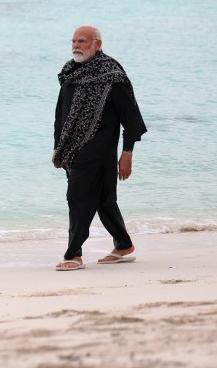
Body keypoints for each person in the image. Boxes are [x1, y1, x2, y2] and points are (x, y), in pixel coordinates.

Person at [52, 25, 147, 271]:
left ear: (98, 44)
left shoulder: (112, 74)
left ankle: (73, 254)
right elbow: (60, 114)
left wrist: (127, 153)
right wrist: (57, 146)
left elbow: (131, 117)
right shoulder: (70, 72)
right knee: (104, 200)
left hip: (100, 149)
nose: (76, 45)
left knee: (77, 197)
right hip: (72, 149)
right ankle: (124, 246)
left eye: (82, 41)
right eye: (73, 41)